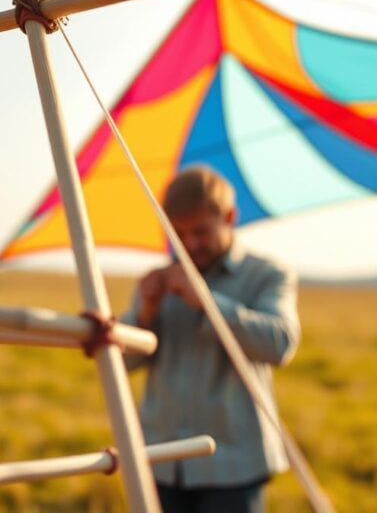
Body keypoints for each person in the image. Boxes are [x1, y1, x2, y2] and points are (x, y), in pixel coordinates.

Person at [122, 166, 300, 513]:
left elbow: (280, 344)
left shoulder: (267, 274)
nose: (189, 244)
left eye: (201, 232)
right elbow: (125, 364)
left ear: (230, 217)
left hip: (234, 466)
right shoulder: (159, 281)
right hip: (160, 459)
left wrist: (206, 301)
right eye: (178, 233)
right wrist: (143, 314)